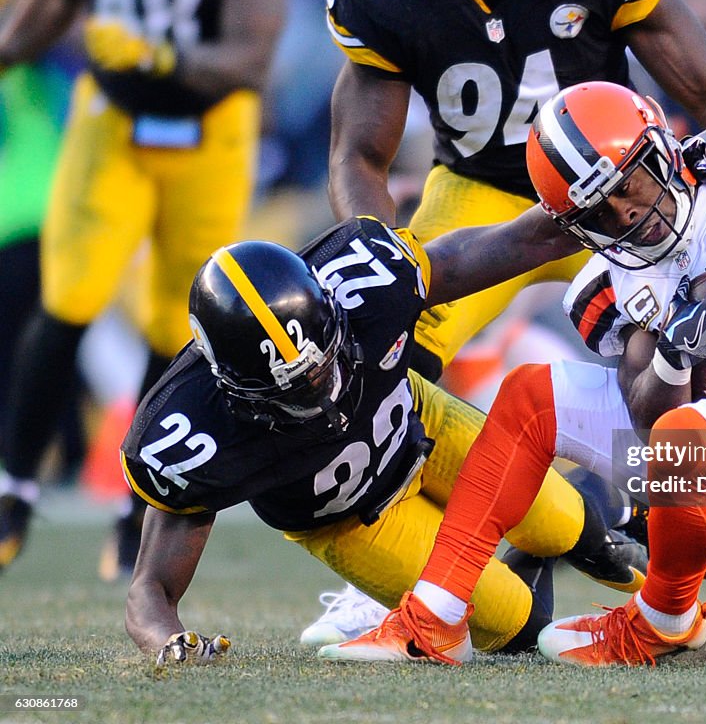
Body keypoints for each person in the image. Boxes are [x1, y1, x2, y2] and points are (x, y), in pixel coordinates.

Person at [322, 81, 706, 666]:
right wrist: (676, 349)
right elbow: (650, 419)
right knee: (532, 395)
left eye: (628, 182)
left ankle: (662, 622)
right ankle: (434, 618)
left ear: (661, 146)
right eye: (599, 209)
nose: (624, 210)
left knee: (689, 432)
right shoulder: (617, 277)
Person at [307, 0, 706, 639]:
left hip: (615, 196)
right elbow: (358, 158)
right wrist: (378, 262)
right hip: (479, 198)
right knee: (379, 343)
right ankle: (393, 574)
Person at [122, 212, 664, 664]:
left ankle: (602, 512)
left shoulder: (367, 284)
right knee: (514, 627)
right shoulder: (190, 433)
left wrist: (586, 215)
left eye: (324, 365)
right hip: (354, 523)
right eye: (293, 390)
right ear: (232, 386)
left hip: (423, 424)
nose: (324, 394)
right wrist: (169, 643)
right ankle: (525, 564)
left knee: (573, 528)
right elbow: (151, 590)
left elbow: (491, 248)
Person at [0, 0, 285, 577]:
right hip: (112, 122)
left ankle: (138, 515)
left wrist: (159, 57)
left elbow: (250, 60)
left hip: (210, 135)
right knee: (70, 298)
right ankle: (12, 488)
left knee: (176, 325)